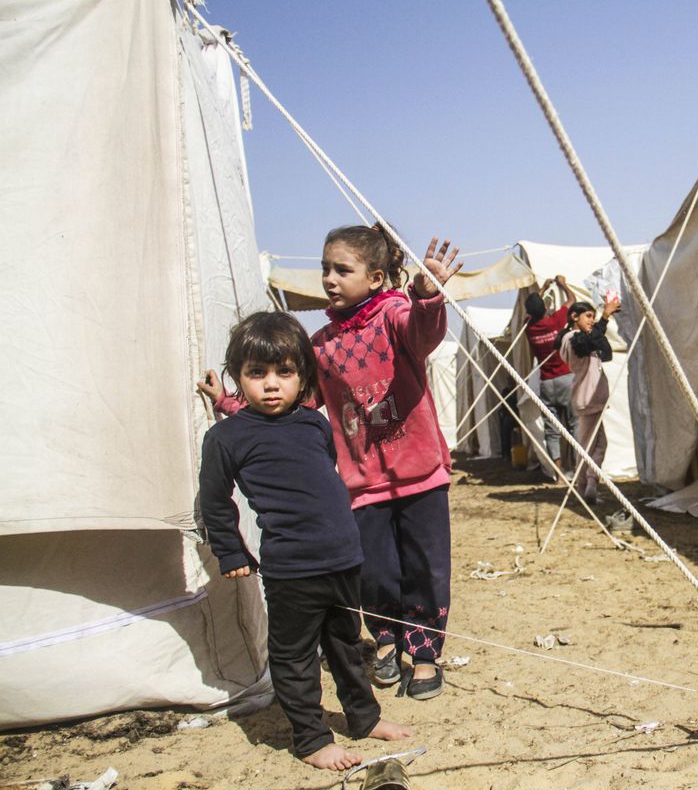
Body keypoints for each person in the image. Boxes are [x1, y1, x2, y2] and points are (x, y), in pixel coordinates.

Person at [200, 224, 461, 699]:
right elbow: (297, 404)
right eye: (325, 269)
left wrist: (427, 296)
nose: (330, 279)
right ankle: (386, 641)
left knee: (425, 566)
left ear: (377, 277)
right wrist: (231, 406)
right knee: (375, 570)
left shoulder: (395, 316)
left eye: (343, 269)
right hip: (362, 481)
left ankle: (424, 654)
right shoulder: (320, 344)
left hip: (421, 473)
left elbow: (424, 335)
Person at [197, 312, 411, 771]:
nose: (271, 384)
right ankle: (313, 739)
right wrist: (231, 551)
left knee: (347, 646)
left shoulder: (314, 424)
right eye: (257, 373)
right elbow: (214, 501)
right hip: (291, 568)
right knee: (295, 658)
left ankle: (364, 717)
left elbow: (324, 479)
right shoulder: (225, 438)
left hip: (342, 558)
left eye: (284, 372)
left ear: (303, 377)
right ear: (238, 377)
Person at [557, 297, 620, 502]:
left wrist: (601, 322)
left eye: (593, 316)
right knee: (589, 445)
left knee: (597, 444)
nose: (591, 321)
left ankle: (589, 484)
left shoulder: (582, 336)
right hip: (588, 396)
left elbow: (605, 351)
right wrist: (604, 317)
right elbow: (583, 344)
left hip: (592, 397)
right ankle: (586, 484)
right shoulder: (572, 337)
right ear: (575, 317)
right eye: (588, 316)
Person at [524, 276, 577, 477]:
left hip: (546, 382)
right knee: (574, 425)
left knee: (552, 429)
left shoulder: (530, 328)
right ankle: (577, 467)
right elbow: (571, 301)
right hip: (566, 377)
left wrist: (543, 287)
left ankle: (557, 470)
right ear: (545, 308)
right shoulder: (556, 321)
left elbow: (531, 309)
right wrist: (563, 284)